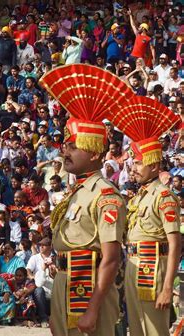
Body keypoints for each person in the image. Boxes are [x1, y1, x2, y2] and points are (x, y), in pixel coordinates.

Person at [40, 64, 128, 335]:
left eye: (73, 146)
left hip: (90, 288)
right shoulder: (76, 192)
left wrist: (92, 308)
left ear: (93, 153)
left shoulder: (105, 195)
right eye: (65, 145)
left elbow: (111, 258)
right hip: (66, 282)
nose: (65, 152)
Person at [109, 95, 181, 336]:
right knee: (137, 330)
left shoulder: (164, 197)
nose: (133, 168)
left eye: (138, 163)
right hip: (134, 266)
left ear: (153, 164)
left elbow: (175, 244)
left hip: (155, 267)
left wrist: (167, 286)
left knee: (154, 330)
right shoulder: (139, 196)